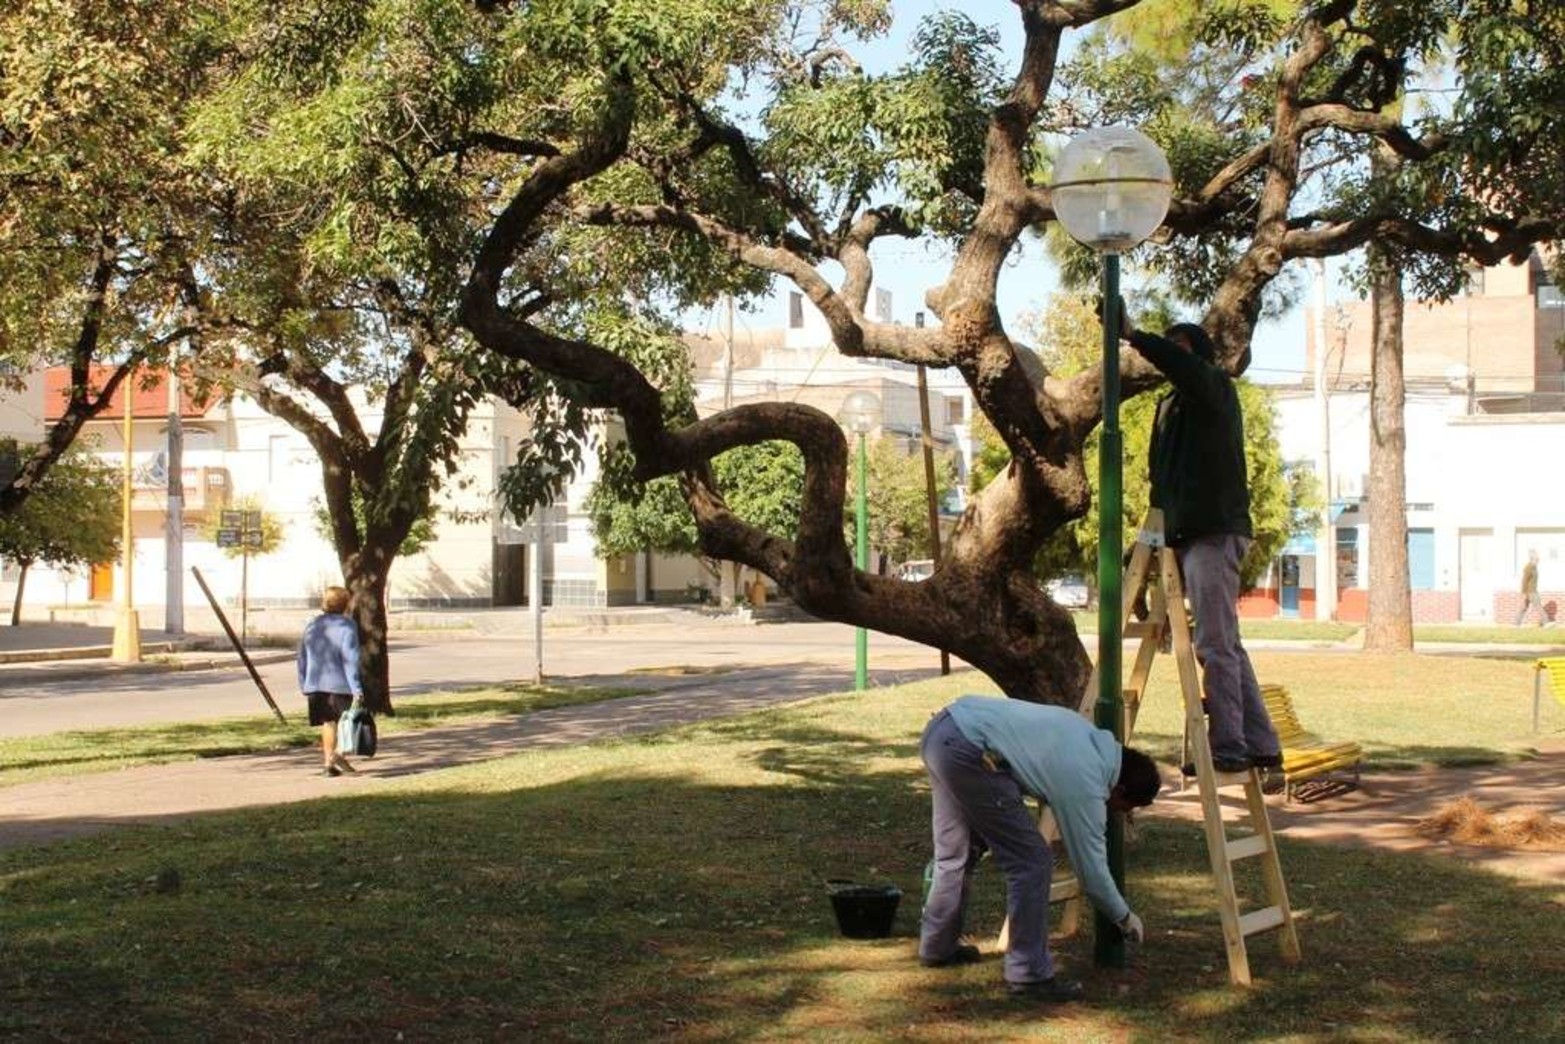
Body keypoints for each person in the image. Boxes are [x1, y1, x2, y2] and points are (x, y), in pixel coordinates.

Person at [1120, 313, 1285, 780]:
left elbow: (1186, 367)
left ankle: (1229, 744)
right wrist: (1143, 548)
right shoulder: (1167, 408)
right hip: (1184, 533)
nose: (1172, 355)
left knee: (1214, 642)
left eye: (1181, 347)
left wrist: (1135, 335)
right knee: (1224, 640)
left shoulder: (1214, 388)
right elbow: (1161, 482)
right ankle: (1261, 741)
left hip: (1214, 529)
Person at [918, 695, 1163, 1001]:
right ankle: (1029, 975)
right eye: (1123, 807)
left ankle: (937, 948)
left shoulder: (1086, 736)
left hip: (943, 730)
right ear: (1120, 788)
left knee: (957, 851)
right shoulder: (1085, 780)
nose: (1117, 813)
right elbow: (1091, 872)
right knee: (1031, 862)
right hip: (971, 750)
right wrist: (1124, 917)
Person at [297, 585, 363, 777]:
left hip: (315, 681)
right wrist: (357, 688)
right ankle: (337, 755)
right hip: (340, 683)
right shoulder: (347, 626)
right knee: (346, 722)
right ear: (345, 604)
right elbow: (350, 659)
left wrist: (303, 681)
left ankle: (329, 763)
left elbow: (302, 656)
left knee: (328, 723)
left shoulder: (312, 624)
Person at [1515, 551, 1542, 627]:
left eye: (1538, 560)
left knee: (1524, 608)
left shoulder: (1534, 567)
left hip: (1533, 590)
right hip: (1530, 591)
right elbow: (1524, 581)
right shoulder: (1528, 567)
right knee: (1538, 606)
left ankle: (1516, 623)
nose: (1538, 561)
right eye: (1536, 560)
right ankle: (1546, 622)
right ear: (1532, 559)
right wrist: (1523, 593)